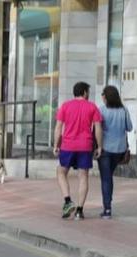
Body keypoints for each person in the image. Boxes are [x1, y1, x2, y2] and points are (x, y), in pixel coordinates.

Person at [53, 81, 102, 220]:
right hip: (85, 146)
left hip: (67, 146)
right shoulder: (92, 107)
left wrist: (56, 144)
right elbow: (98, 128)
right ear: (85, 92)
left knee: (61, 172)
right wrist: (99, 146)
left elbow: (58, 127)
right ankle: (80, 211)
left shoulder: (65, 106)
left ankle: (68, 201)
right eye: (88, 92)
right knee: (83, 176)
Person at [98, 85, 132, 219]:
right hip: (120, 149)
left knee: (106, 178)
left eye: (103, 94)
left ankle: (107, 208)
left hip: (105, 149)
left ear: (106, 97)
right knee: (109, 176)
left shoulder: (102, 111)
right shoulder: (124, 110)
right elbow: (129, 127)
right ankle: (108, 203)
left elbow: (97, 129)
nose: (102, 97)